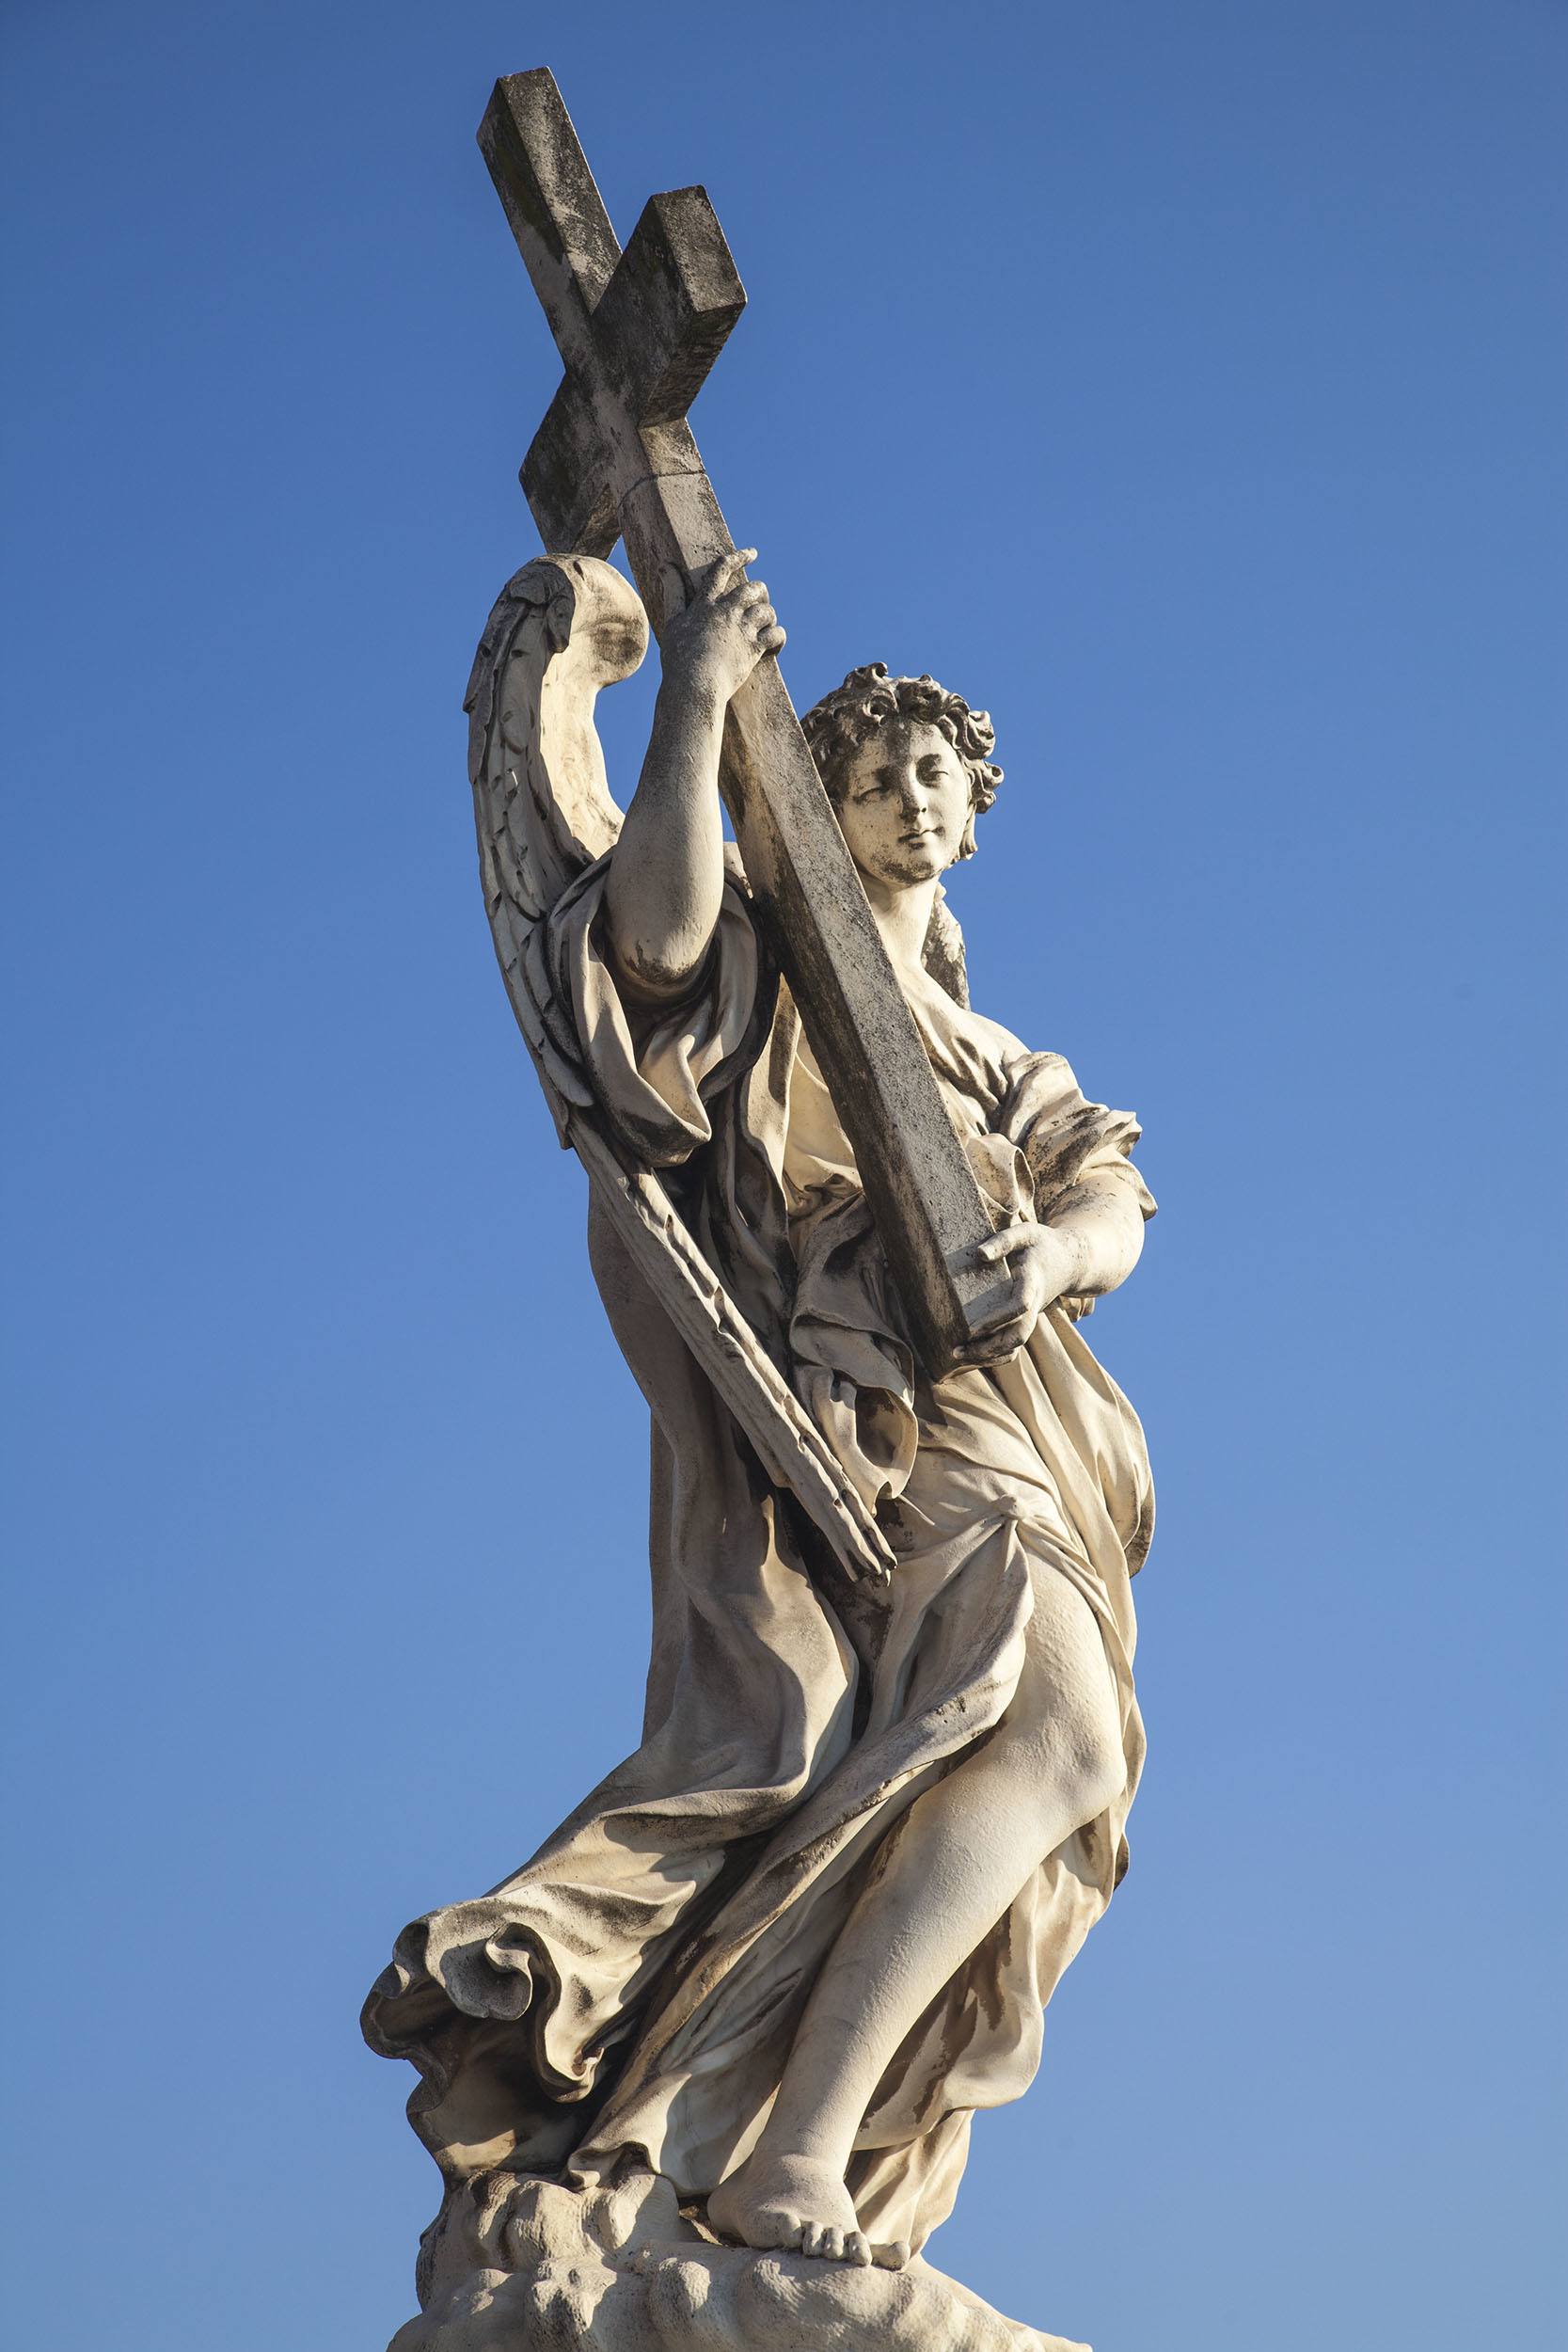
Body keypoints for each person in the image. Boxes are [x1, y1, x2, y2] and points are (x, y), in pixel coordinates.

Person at [363, 551, 1156, 2272]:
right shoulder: (773, 959)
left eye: (935, 770)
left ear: (978, 808)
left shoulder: (1005, 1052)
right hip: (853, 1396)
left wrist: (1053, 1257)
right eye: (867, 772)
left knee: (1019, 1751)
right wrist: (700, 699)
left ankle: (789, 2142)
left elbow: (1113, 1195)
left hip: (1016, 1401)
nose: (907, 793)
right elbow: (643, 955)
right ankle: (784, 2148)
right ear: (816, 803)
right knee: (1044, 1734)